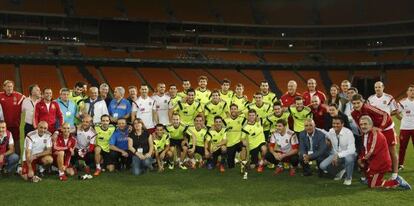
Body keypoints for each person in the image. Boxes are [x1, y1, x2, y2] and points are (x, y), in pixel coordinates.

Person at [351, 94, 399, 180]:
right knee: (368, 149)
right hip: (371, 130)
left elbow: (385, 115)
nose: (356, 105)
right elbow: (360, 125)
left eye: (358, 103)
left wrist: (381, 128)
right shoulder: (353, 113)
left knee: (391, 149)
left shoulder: (368, 108)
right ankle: (368, 172)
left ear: (363, 102)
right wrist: (364, 134)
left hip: (386, 127)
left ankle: (395, 174)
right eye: (354, 103)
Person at [358, 115, 411, 190]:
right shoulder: (365, 134)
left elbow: (372, 150)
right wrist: (361, 158)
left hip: (381, 164)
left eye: (365, 124)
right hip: (374, 162)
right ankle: (369, 177)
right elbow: (364, 149)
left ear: (371, 125)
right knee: (363, 166)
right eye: (361, 124)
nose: (363, 126)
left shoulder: (375, 134)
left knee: (373, 185)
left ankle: (397, 181)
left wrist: (362, 159)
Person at [320, 117, 356, 186]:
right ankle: (341, 170)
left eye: (337, 123)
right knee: (322, 166)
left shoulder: (348, 133)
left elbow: (352, 150)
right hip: (336, 154)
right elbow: (326, 134)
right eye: (333, 123)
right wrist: (314, 128)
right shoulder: (331, 131)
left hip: (348, 154)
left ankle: (348, 178)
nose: (335, 125)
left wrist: (338, 155)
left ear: (342, 124)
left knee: (349, 158)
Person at [0, 80, 25, 155]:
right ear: (4, 87)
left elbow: (29, 100)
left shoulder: (19, 96)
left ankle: (17, 162)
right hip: (2, 126)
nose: (10, 88)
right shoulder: (0, 95)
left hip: (15, 125)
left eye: (11, 86)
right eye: (8, 86)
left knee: (16, 142)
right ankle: (4, 161)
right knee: (3, 142)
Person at [224, 104, 247, 169]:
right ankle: (233, 159)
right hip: (229, 143)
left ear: (237, 110)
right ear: (230, 110)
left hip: (239, 141)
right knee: (230, 166)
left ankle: (243, 164)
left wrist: (243, 138)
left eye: (235, 109)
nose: (233, 110)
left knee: (243, 147)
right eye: (232, 109)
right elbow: (222, 132)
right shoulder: (225, 120)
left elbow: (245, 130)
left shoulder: (242, 119)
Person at [396, 85, 414, 170]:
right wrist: (402, 119)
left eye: (413, 90)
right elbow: (397, 113)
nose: (412, 92)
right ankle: (400, 164)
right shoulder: (402, 102)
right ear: (407, 92)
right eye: (410, 90)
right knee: (402, 147)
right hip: (405, 128)